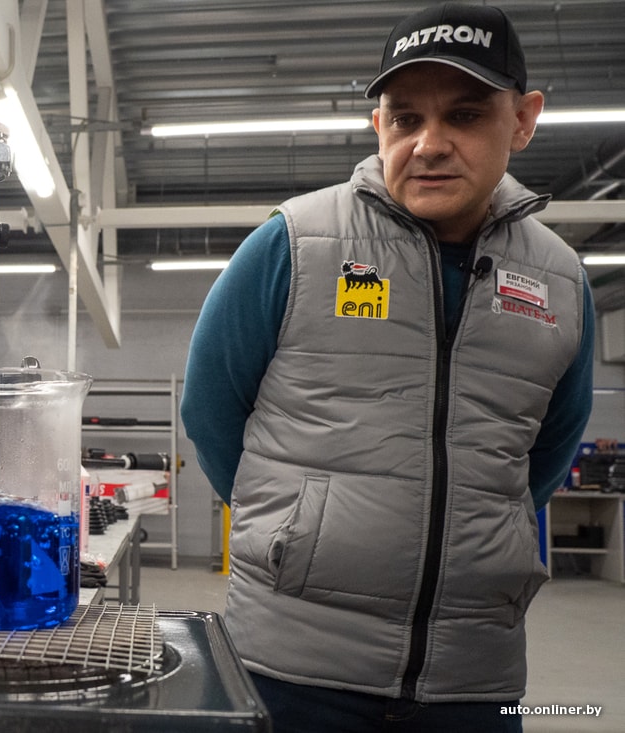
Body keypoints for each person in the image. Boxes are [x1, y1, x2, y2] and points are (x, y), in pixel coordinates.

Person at [180, 4, 594, 732]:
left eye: (465, 115)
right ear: (379, 127)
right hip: (291, 664)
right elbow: (211, 409)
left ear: (523, 120)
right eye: (405, 119)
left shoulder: (559, 281)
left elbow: (549, 446)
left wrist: (482, 529)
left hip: (474, 674)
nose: (429, 144)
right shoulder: (295, 245)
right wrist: (296, 529)